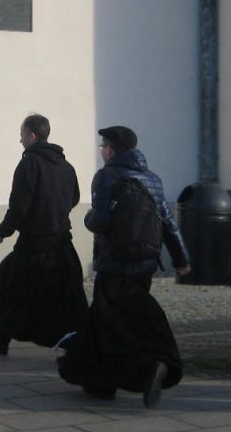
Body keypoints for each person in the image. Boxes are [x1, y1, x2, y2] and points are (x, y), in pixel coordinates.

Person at [57, 125, 191, 408]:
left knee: (111, 324)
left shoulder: (106, 177)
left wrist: (88, 219)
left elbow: (101, 221)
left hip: (114, 261)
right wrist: (181, 259)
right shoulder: (152, 179)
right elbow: (167, 222)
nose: (102, 151)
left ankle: (146, 369)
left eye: (103, 146)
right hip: (144, 262)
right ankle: (100, 382)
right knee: (121, 318)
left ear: (112, 149)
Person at [0, 114, 88, 356]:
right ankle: (6, 337)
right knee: (63, 293)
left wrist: (2, 233)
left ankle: (4, 337)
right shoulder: (66, 166)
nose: (20, 140)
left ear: (32, 136)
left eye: (22, 134)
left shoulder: (29, 164)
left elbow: (19, 206)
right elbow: (75, 198)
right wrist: (56, 213)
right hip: (61, 241)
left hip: (34, 244)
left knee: (11, 282)